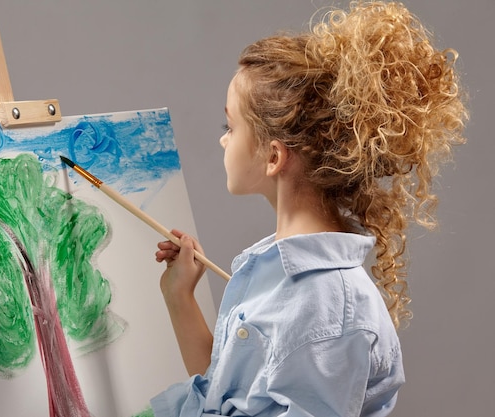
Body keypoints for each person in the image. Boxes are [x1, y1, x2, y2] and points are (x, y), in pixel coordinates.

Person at [150, 1, 468, 416]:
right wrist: (180, 298)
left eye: (230, 127)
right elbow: (225, 396)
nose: (223, 140)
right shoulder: (274, 269)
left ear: (273, 158)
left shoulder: (329, 304)